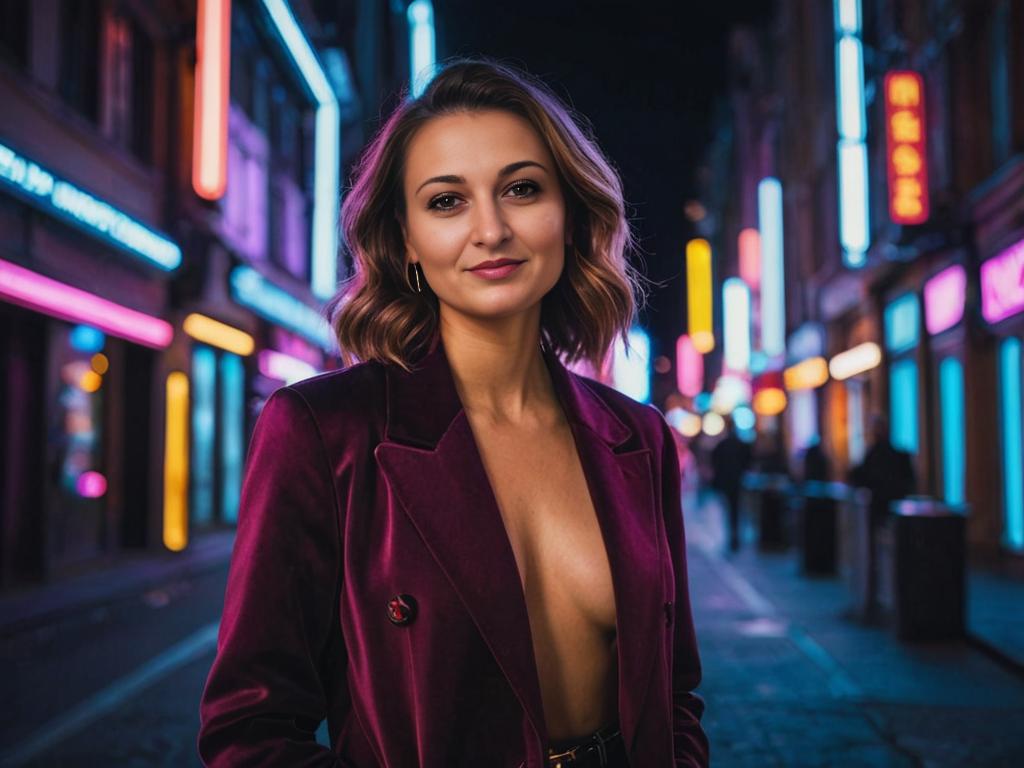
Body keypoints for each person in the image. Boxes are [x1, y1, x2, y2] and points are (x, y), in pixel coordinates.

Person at [197, 59, 709, 768]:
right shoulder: (324, 431)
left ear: (569, 213)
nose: (491, 229)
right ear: (405, 238)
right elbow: (249, 731)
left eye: (522, 189)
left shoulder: (638, 437)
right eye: (446, 201)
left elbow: (676, 691)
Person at [848, 414, 916, 622]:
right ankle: (891, 597)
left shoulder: (877, 454)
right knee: (891, 556)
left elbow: (858, 477)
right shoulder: (895, 454)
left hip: (880, 512)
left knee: (879, 557)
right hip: (892, 513)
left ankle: (880, 598)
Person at [710, 417, 752, 552]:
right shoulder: (741, 444)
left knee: (729, 509)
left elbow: (715, 462)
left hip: (726, 482)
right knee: (736, 509)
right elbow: (749, 461)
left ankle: (732, 536)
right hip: (737, 481)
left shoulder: (722, 445)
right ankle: (735, 536)